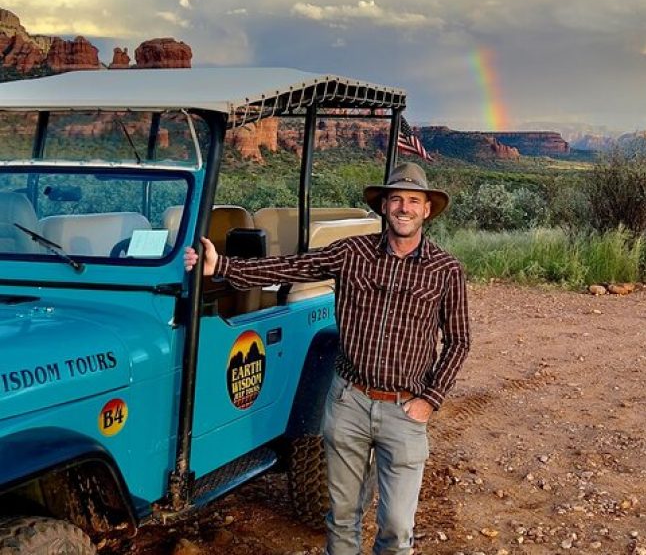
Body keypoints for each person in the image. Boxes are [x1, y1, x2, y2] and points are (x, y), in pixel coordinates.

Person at [184, 162, 470, 555]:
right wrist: (224, 266)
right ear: (384, 207)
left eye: (413, 201)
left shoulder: (445, 270)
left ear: (426, 210)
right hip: (349, 400)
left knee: (397, 526)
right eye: (397, 199)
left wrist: (430, 399)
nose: (404, 207)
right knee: (341, 516)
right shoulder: (352, 252)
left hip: (405, 410)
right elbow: (291, 265)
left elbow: (459, 340)